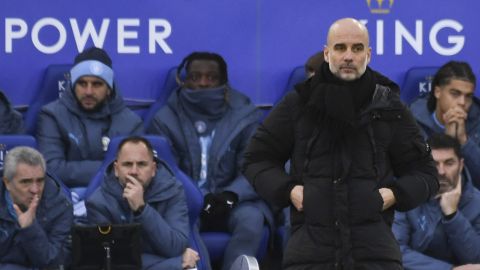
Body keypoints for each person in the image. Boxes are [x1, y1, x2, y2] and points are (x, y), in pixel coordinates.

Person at [242, 17, 439, 270]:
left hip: (375, 252)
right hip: (309, 252)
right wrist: (288, 190)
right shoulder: (298, 103)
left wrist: (392, 196)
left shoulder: (389, 106)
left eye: (357, 49)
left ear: (368, 55)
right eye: (340, 48)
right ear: (327, 54)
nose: (348, 56)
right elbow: (256, 158)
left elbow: (426, 172)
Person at [147, 52, 273, 270]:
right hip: (185, 201)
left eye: (211, 78)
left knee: (252, 219)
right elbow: (165, 170)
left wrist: (232, 195)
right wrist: (198, 198)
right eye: (195, 77)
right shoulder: (164, 119)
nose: (203, 83)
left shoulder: (244, 115)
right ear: (183, 80)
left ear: (224, 83)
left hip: (235, 200)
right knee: (180, 224)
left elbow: (255, 164)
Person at [36, 47, 143, 200]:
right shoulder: (52, 115)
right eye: (82, 83)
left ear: (109, 88)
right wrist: (113, 168)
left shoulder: (131, 122)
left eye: (97, 84)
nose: (88, 91)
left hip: (118, 200)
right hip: (63, 200)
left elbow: (137, 172)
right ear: (72, 85)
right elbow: (51, 169)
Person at [86, 136, 199, 269]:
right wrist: (174, 263)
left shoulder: (173, 191)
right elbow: (112, 260)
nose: (134, 171)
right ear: (116, 169)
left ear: (153, 169)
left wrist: (141, 208)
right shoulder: (98, 202)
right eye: (127, 164)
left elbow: (175, 247)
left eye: (141, 164)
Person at [393, 133, 480, 270]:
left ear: (461, 165)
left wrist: (452, 215)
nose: (441, 171)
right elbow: (396, 252)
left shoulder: (476, 202)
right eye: (434, 163)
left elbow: (476, 259)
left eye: (449, 163)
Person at [409, 61, 480, 188]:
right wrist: (447, 141)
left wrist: (464, 142)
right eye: (455, 93)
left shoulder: (477, 123)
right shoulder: (411, 121)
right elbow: (411, 175)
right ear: (437, 92)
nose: (462, 102)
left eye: (468, 96)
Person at [0, 146, 73, 269]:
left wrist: (30, 228)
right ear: (7, 182)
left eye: (40, 181)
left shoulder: (60, 206)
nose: (35, 189)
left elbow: (55, 263)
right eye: (25, 182)